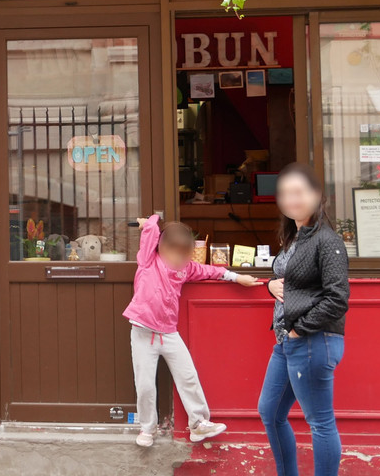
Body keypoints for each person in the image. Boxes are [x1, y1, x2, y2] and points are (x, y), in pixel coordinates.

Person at [124, 214, 262, 447]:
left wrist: (237, 277)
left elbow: (211, 271)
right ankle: (147, 428)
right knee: (145, 385)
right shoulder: (148, 260)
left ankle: (198, 424)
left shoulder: (186, 269)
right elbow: (152, 232)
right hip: (143, 333)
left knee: (188, 377)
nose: (179, 259)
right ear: (160, 248)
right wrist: (150, 222)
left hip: (169, 333)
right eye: (174, 253)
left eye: (184, 254)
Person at [258, 163, 350, 476]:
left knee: (320, 421)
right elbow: (289, 282)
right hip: (288, 342)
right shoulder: (295, 237)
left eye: (299, 192)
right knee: (270, 412)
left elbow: (337, 298)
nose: (292, 199)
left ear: (316, 196)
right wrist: (270, 285)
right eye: (286, 193)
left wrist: (299, 329)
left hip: (312, 340)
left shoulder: (327, 241)